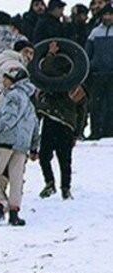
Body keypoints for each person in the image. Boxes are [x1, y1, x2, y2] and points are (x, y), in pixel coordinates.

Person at [0, 65, 39, 225]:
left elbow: (9, 117)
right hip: (22, 145)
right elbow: (34, 125)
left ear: (14, 80)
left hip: (6, 140)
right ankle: (14, 213)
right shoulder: (28, 101)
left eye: (6, 77)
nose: (3, 80)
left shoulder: (13, 96)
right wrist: (34, 147)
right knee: (16, 178)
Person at [35, 42, 88, 197]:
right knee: (64, 160)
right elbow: (82, 110)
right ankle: (65, 188)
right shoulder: (76, 86)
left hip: (51, 120)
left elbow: (45, 69)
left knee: (45, 156)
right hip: (67, 124)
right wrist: (78, 130)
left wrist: (50, 54)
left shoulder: (49, 82)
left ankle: (50, 183)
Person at [86, 4, 113, 139]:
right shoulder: (95, 32)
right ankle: (96, 131)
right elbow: (88, 52)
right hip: (97, 73)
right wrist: (90, 66)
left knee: (111, 104)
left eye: (110, 14)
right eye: (105, 14)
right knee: (96, 104)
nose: (108, 17)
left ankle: (110, 131)